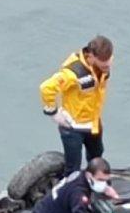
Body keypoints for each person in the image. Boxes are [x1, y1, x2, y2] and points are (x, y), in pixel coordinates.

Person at [39, 35, 114, 174]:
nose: (107, 66)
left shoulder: (104, 62)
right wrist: (53, 112)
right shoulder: (71, 74)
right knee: (73, 167)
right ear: (91, 57)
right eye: (103, 64)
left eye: (109, 63)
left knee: (97, 156)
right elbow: (46, 87)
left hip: (93, 122)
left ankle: (93, 186)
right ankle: (69, 192)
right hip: (73, 127)